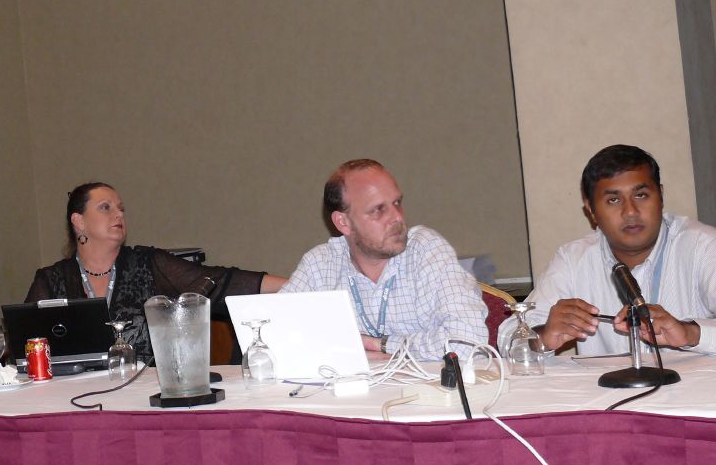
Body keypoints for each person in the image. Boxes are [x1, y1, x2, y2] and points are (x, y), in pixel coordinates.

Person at [25, 182, 286, 359]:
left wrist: (296, 284)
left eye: (121, 209)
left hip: (146, 397)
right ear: (78, 221)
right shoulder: (51, 280)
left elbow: (218, 281)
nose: (119, 215)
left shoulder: (147, 264)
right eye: (106, 208)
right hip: (73, 400)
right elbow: (25, 346)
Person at [505, 144, 716, 356]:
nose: (631, 211)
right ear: (591, 210)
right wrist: (544, 336)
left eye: (641, 195)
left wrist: (690, 334)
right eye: (613, 200)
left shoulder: (703, 246)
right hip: (609, 390)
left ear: (660, 196)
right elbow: (507, 341)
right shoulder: (573, 259)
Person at [282, 159, 486, 360]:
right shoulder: (320, 265)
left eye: (397, 203)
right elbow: (274, 335)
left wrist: (380, 344)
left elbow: (467, 341)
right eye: (378, 209)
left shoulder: (425, 250)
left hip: (430, 391)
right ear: (343, 222)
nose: (397, 217)